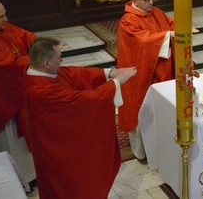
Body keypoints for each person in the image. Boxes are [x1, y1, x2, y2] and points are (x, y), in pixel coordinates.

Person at [23, 37, 136, 199]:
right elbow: (83, 101)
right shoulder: (40, 90)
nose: (61, 62)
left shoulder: (42, 72)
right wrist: (116, 83)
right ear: (47, 63)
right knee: (70, 186)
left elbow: (76, 74)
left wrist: (110, 72)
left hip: (62, 138)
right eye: (59, 59)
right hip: (57, 148)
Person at [117, 0, 187, 159]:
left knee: (163, 107)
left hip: (161, 69)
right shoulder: (128, 21)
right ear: (135, 1)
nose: (151, 2)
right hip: (142, 73)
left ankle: (163, 144)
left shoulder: (156, 12)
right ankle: (142, 152)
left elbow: (170, 24)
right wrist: (168, 36)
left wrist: (183, 24)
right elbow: (142, 41)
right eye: (146, 0)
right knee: (143, 108)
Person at [0, 0, 37, 186]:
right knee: (12, 142)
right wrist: (35, 58)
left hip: (17, 92)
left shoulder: (3, 27)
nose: (6, 19)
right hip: (3, 99)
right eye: (1, 16)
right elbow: (8, 64)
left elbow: (26, 36)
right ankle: (18, 181)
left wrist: (42, 45)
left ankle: (32, 175)